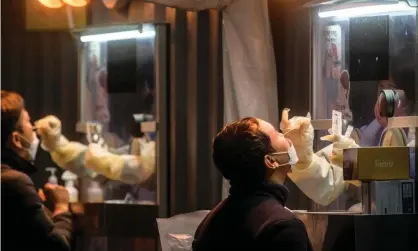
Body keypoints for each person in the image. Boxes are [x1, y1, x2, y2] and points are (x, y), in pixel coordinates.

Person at [192, 117, 313, 251]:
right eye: (277, 134)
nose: (284, 136)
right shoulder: (283, 228)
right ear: (271, 161)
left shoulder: (212, 219)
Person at [1, 90, 73, 251]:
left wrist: (40, 209)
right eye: (29, 123)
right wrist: (61, 208)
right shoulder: (15, 183)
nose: (35, 131)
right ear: (16, 139)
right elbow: (58, 248)